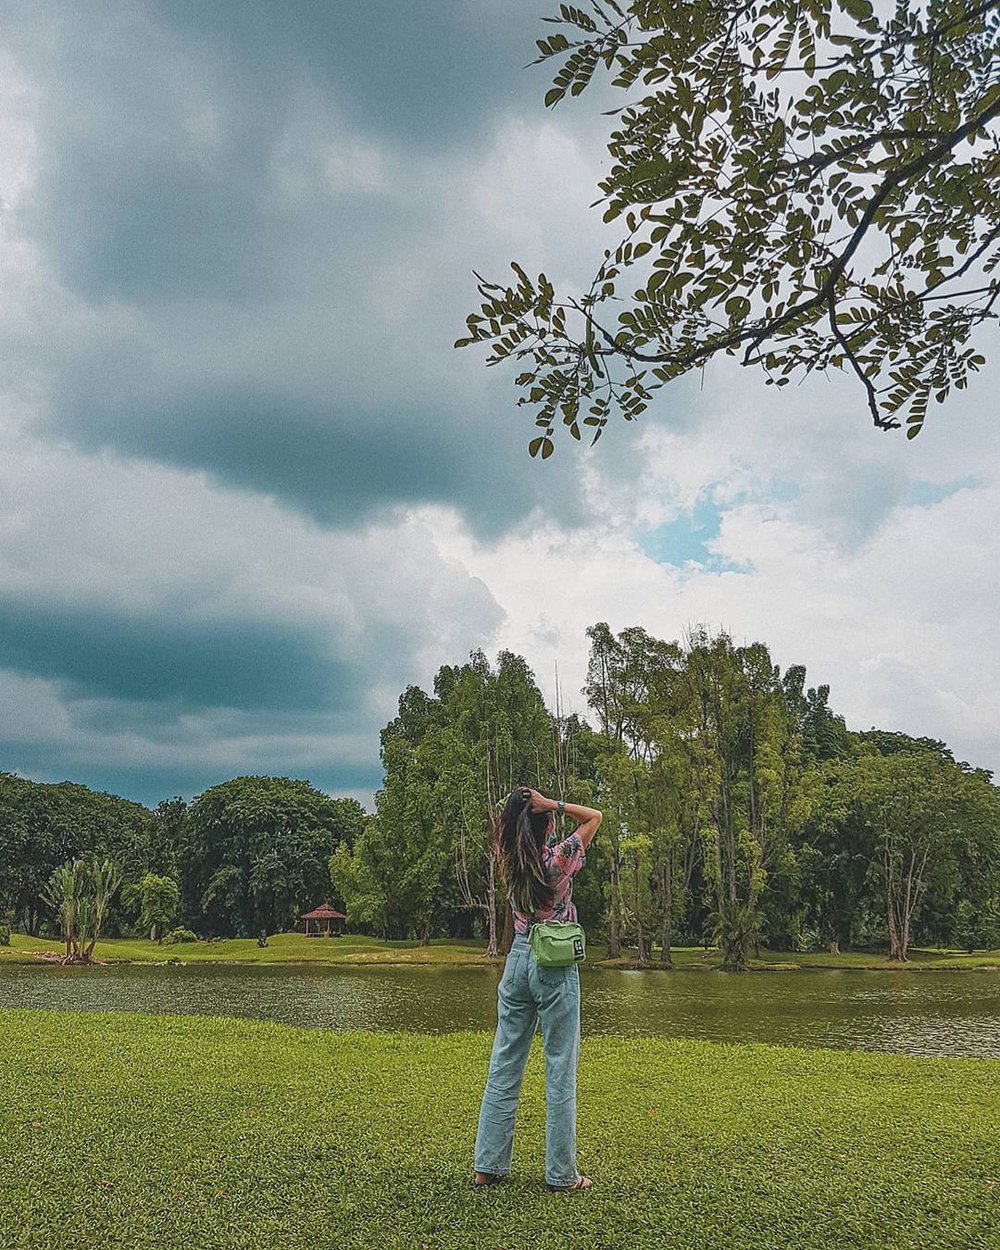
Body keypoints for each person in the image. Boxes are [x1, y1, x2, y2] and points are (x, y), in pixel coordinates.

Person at [473, 785, 602, 1192]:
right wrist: (553, 804)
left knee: (505, 1062)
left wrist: (523, 810)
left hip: (517, 961)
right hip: (554, 961)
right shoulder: (557, 858)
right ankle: (561, 1175)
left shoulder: (508, 858)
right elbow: (595, 817)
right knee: (560, 1066)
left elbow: (505, 828)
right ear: (546, 824)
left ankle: (487, 1166)